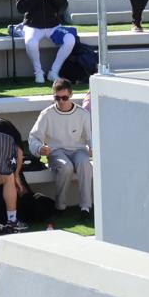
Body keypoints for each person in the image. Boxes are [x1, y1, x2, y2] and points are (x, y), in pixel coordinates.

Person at [29, 78, 92, 216]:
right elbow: (33, 137)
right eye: (57, 98)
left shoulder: (83, 114)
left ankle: (86, 207)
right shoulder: (47, 114)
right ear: (53, 96)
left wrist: (93, 147)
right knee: (66, 166)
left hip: (78, 150)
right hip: (56, 152)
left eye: (64, 97)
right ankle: (60, 206)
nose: (61, 101)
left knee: (85, 163)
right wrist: (39, 148)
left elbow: (90, 137)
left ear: (71, 95)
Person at [17, 0, 74, 84]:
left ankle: (54, 72)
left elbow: (63, 7)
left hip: (53, 26)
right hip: (32, 26)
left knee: (70, 39)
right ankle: (38, 72)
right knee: (31, 42)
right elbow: (20, 8)